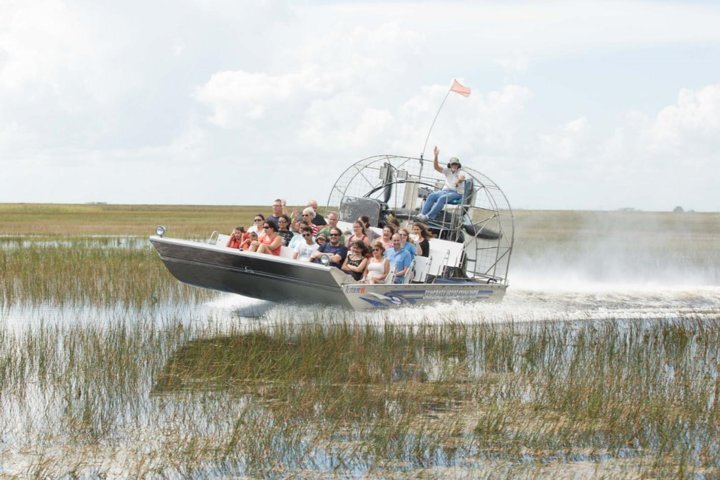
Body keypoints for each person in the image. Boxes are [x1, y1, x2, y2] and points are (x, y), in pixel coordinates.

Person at [416, 145, 466, 222]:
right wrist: (436, 156)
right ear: (450, 165)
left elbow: (462, 177)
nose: (454, 165)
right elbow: (436, 167)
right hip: (444, 191)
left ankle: (429, 217)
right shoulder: (447, 170)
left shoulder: (460, 171)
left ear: (458, 165)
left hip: (456, 193)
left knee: (442, 198)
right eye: (453, 164)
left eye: (456, 164)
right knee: (432, 195)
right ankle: (422, 215)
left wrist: (458, 181)